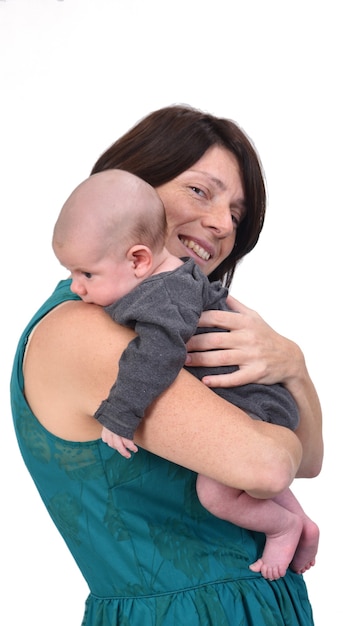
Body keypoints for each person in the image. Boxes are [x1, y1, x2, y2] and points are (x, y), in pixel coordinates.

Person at [11, 104, 323, 626]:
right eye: (200, 191)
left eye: (236, 213)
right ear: (130, 185)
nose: (223, 223)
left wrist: (294, 366)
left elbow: (308, 462)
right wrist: (276, 443)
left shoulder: (170, 317)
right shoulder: (83, 330)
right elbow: (271, 467)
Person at [52, 168, 319, 581]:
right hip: (256, 398)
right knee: (249, 474)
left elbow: (156, 353)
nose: (76, 288)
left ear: (139, 259)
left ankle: (283, 526)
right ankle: (300, 521)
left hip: (250, 399)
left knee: (215, 492)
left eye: (86, 275)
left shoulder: (160, 295)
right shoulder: (162, 280)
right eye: (198, 191)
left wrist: (122, 412)